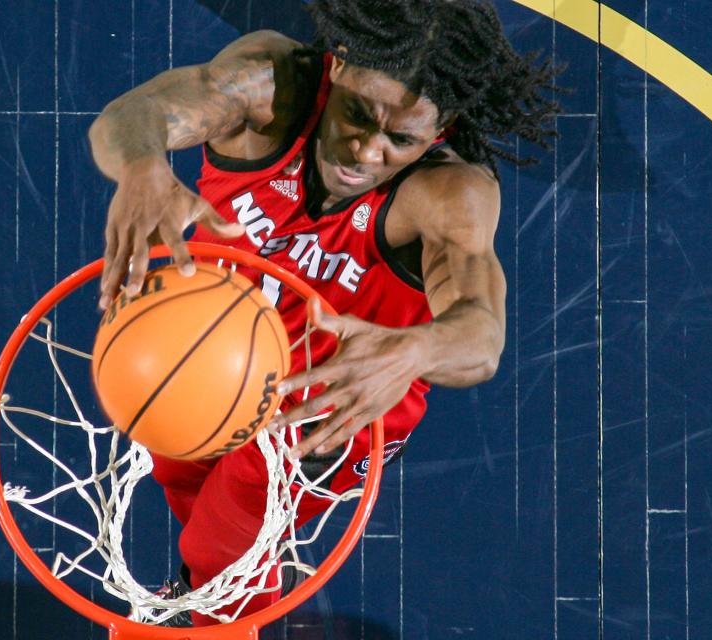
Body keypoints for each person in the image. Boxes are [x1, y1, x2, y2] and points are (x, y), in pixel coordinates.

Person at [89, 0, 559, 625]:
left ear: (440, 130)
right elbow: (132, 115)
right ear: (337, 66)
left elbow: (482, 333)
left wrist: (418, 348)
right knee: (186, 481)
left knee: (216, 552)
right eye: (359, 114)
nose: (367, 151)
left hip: (335, 397)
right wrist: (143, 165)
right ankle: (222, 575)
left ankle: (222, 611)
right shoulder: (271, 88)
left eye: (402, 139)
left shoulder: (449, 193)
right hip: (218, 353)